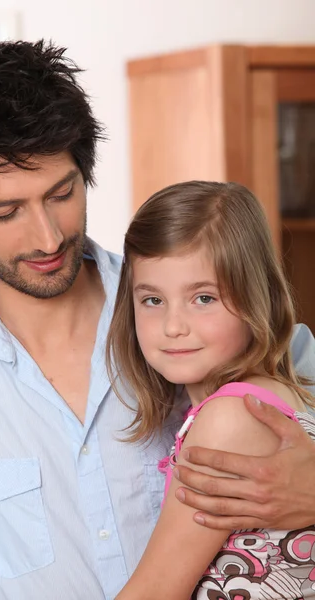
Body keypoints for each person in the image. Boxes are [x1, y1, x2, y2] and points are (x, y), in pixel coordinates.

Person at [0, 31, 313, 600]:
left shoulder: (194, 307)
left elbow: (294, 398)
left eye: (61, 193)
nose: (49, 237)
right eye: (6, 212)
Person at [106, 180, 315, 600]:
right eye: (152, 300)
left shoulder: (233, 417)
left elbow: (154, 592)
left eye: (203, 298)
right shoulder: (271, 394)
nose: (173, 326)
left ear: (258, 298)